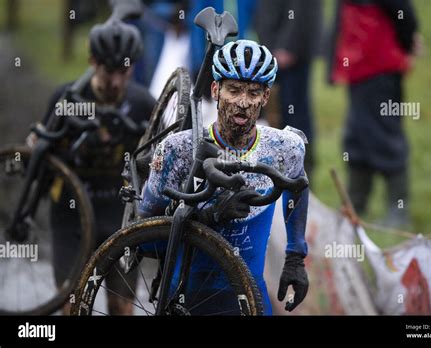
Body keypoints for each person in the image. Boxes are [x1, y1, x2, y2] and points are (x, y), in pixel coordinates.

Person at [138, 39, 310, 315]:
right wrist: (209, 216)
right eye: (233, 90)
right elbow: (144, 237)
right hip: (184, 298)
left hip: (249, 298)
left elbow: (298, 188)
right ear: (215, 89)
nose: (243, 102)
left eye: (254, 93)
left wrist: (295, 257)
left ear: (266, 97)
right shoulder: (178, 150)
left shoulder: (284, 148)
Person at [29, 20, 156, 315]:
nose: (115, 82)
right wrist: (35, 147)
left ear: (132, 68)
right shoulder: (67, 98)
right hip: (71, 216)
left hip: (120, 214)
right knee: (71, 305)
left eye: (122, 72)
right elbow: (39, 161)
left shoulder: (142, 103)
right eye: (107, 72)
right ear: (92, 63)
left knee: (121, 308)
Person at [327, 0, 420, 227]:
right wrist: (333, 63)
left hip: (381, 68)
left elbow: (404, 14)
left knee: (385, 136)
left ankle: (399, 210)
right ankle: (356, 205)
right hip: (357, 68)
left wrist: (407, 46)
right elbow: (339, 21)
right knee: (356, 136)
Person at [255, 0, 323, 178]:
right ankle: (278, 172)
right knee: (274, 116)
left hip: (291, 55)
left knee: (295, 117)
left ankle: (301, 175)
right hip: (272, 50)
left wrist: (289, 46)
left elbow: (303, 8)